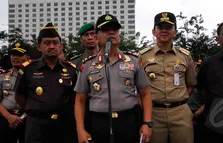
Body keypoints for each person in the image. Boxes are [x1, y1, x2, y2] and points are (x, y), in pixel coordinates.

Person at [74, 14, 152, 143]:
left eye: (115, 29)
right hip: (98, 123)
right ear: (96, 36)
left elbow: (146, 93)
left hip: (128, 122)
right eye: (105, 30)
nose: (111, 32)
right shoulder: (88, 65)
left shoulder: (133, 61)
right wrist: (80, 130)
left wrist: (147, 123)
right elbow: (80, 101)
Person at [14, 23, 78, 143]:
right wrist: (36, 110)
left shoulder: (71, 69)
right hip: (37, 126)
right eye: (47, 43)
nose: (52, 46)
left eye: (55, 43)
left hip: (65, 126)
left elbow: (75, 97)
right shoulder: (28, 69)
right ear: (39, 47)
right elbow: (20, 96)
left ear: (61, 46)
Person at [139, 12, 197, 143]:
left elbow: (190, 85)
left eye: (168, 27)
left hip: (180, 112)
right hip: (154, 113)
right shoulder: (143, 56)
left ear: (175, 32)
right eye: (160, 27)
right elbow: (138, 88)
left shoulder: (185, 56)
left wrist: (177, 101)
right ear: (154, 31)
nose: (164, 30)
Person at [0, 42, 28, 143]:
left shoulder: (33, 76)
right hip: (5, 118)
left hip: (26, 119)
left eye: (19, 55)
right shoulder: (2, 75)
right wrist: (9, 117)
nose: (15, 58)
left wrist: (22, 117)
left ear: (27, 57)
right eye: (13, 55)